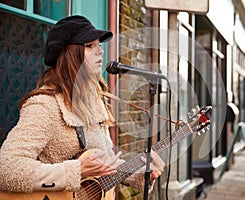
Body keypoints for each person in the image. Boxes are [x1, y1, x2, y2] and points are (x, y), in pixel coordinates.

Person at [0, 15, 164, 198]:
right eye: (89, 46)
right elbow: (7, 168)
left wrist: (140, 175)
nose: (100, 51)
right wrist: (76, 170)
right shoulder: (45, 106)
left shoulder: (96, 104)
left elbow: (106, 163)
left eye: (99, 45)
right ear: (69, 54)